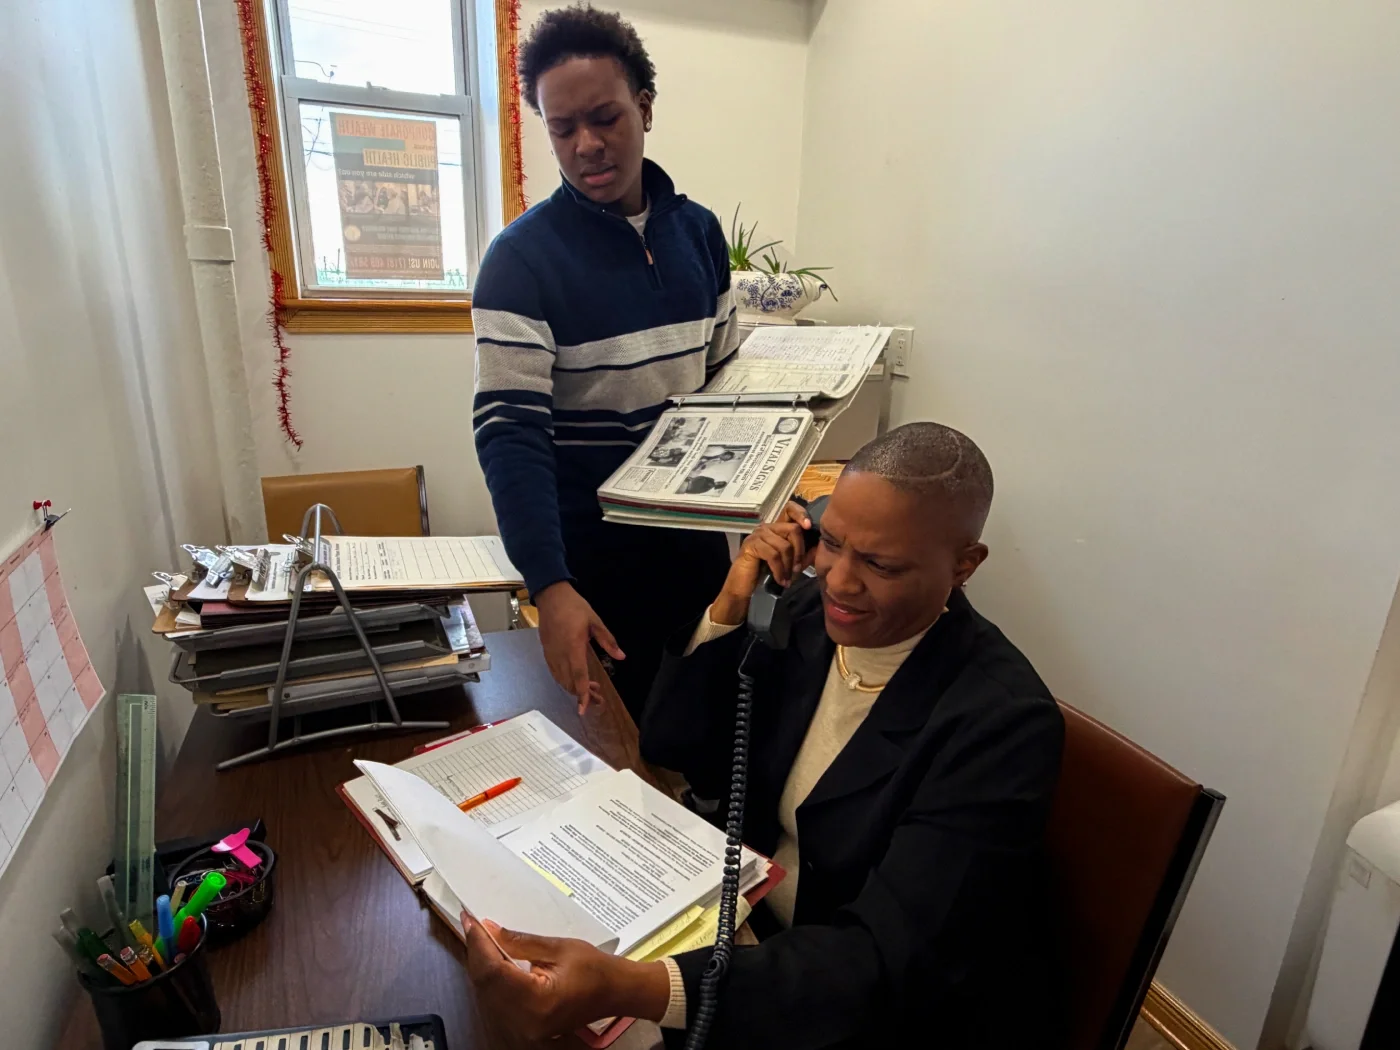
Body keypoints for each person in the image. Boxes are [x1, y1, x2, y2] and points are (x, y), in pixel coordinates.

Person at [460, 422, 1066, 1049]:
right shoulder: (806, 616)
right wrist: (731, 602)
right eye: (830, 542)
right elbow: (670, 745)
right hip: (747, 929)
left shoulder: (1002, 724)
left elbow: (884, 963)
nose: (839, 581)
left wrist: (636, 987)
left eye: (880, 563)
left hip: (856, 1001)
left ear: (964, 565)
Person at [471, 6, 738, 716]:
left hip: (698, 554)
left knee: (705, 747)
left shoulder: (700, 235)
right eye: (563, 128)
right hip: (593, 571)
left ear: (644, 108)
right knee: (612, 769)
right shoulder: (520, 261)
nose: (586, 143)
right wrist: (549, 588)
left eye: (605, 117)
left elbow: (729, 391)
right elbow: (510, 435)